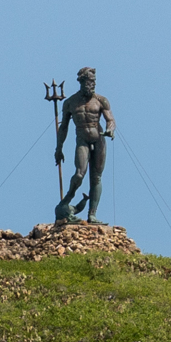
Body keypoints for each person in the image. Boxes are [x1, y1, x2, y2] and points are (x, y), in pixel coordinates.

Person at [54, 67, 116, 224]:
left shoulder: (101, 100)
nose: (92, 85)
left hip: (99, 139)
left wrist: (110, 130)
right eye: (89, 82)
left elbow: (110, 120)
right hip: (82, 140)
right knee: (79, 174)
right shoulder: (70, 103)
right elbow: (64, 127)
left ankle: (92, 214)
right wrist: (59, 148)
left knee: (96, 177)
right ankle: (66, 202)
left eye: (94, 82)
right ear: (82, 82)